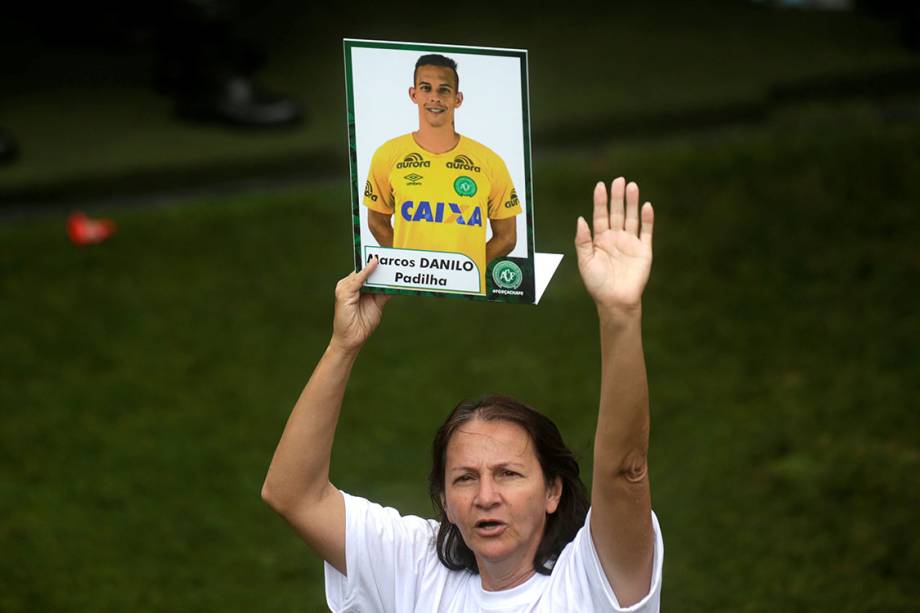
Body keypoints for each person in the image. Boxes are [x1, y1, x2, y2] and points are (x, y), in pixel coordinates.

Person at [262, 177, 663, 611]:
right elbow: (293, 495)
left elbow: (625, 471)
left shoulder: (593, 577)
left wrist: (620, 314)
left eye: (509, 473)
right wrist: (343, 346)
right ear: (446, 504)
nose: (485, 496)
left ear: (553, 492)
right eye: (465, 478)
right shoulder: (414, 568)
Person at [363, 54, 522, 294]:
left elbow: (507, 237)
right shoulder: (387, 155)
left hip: (469, 295)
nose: (435, 97)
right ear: (413, 94)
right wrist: (410, 268)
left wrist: (466, 273)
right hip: (410, 293)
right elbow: (377, 221)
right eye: (426, 88)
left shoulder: (489, 161)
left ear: (457, 99)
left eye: (444, 90)